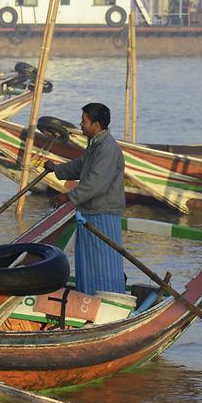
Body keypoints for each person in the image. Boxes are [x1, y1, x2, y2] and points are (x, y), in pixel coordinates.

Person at [45, 103, 125, 296]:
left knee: (104, 262)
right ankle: (87, 297)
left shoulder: (107, 149)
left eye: (84, 122)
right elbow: (79, 166)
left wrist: (68, 197)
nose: (80, 125)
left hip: (103, 215)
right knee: (87, 262)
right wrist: (56, 169)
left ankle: (108, 301)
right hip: (89, 214)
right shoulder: (95, 145)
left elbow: (94, 184)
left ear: (96, 124)